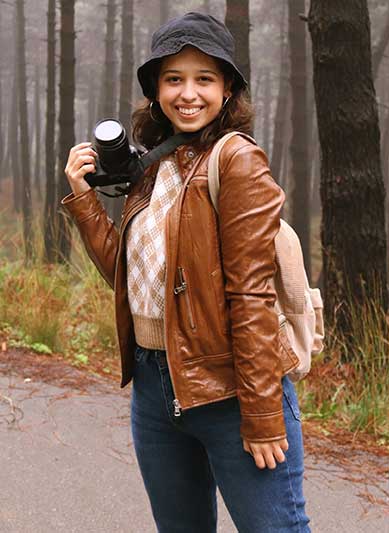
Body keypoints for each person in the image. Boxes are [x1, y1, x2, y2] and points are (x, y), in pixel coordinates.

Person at [62, 11, 311, 533]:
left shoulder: (236, 160)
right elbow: (132, 282)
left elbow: (250, 295)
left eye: (205, 79)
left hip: (232, 390)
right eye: (174, 79)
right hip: (155, 390)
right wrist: (85, 203)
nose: (188, 93)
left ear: (227, 90)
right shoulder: (153, 164)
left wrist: (262, 413)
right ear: (156, 91)